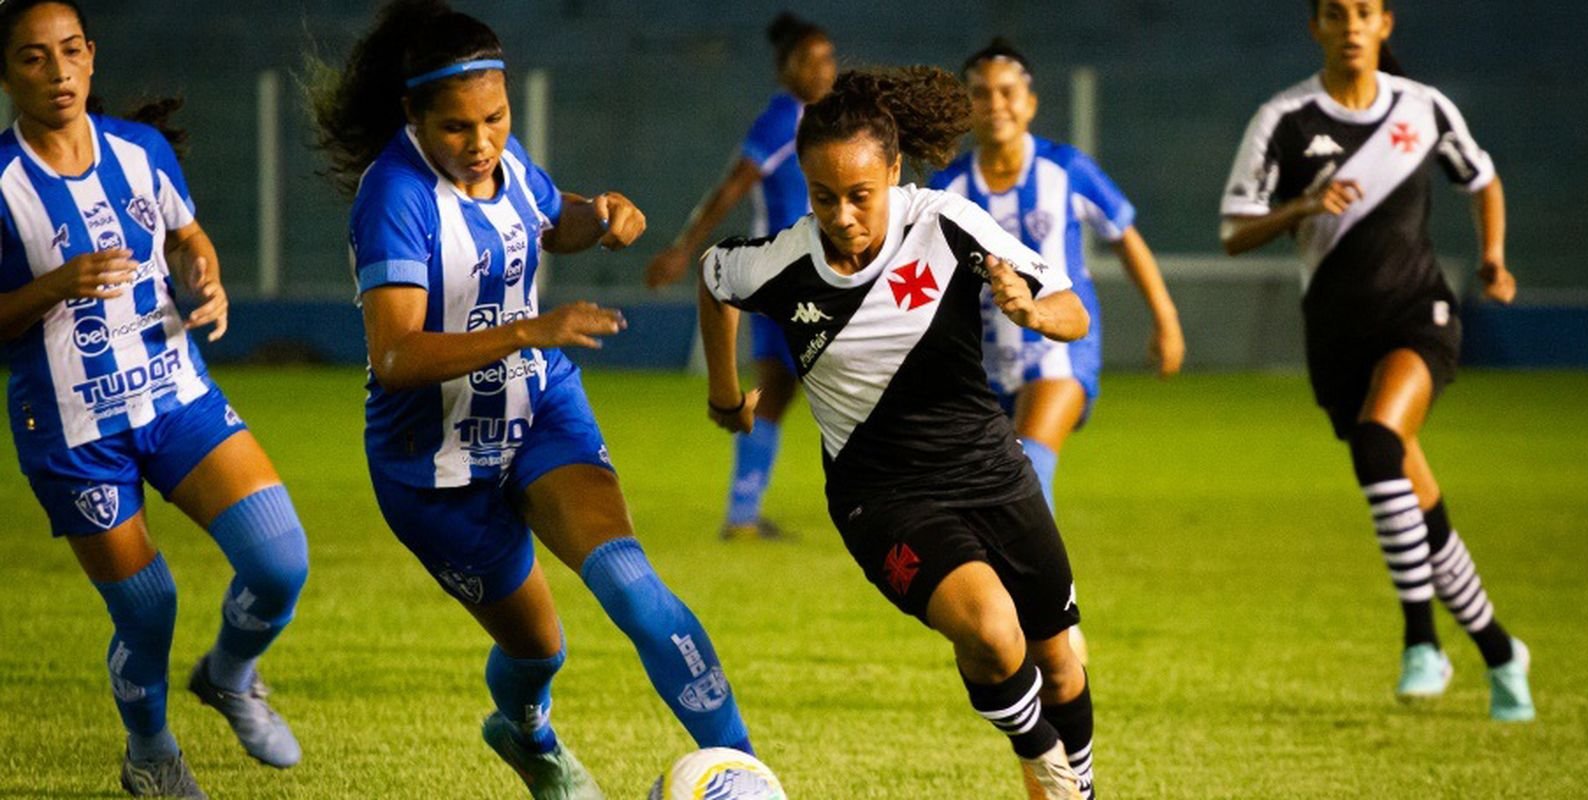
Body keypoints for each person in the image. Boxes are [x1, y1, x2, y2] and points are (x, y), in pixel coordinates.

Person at [308, 1, 754, 795]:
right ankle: (531, 736)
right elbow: (398, 353)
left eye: (497, 118)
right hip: (434, 466)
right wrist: (527, 330)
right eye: (458, 128)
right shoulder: (395, 200)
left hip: (539, 412)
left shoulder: (504, 163)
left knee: (634, 589)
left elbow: (551, 217)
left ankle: (752, 775)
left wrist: (602, 215)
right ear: (412, 115)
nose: (482, 144)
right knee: (538, 651)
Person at [701, 66, 1099, 800]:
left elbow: (1070, 308)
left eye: (861, 195)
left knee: (1060, 661)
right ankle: (1050, 771)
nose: (844, 215)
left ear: (893, 170)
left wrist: (1036, 313)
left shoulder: (945, 223)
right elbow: (715, 276)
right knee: (989, 629)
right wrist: (725, 395)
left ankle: (1078, 786)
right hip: (881, 496)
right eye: (824, 197)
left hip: (990, 470)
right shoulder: (784, 263)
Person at [0, 1, 309, 797]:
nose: (59, 70)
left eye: (71, 51)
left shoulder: (139, 151)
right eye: (34, 57)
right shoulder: (1, 184)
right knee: (148, 611)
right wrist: (53, 288)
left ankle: (231, 676)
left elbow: (185, 234)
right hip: (73, 431)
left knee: (279, 563)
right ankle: (151, 753)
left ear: (93, 58)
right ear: (7, 74)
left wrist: (206, 274)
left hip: (175, 394)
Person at [1220, 0, 1532, 720]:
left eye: (1364, 11)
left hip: (1418, 315)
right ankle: (1498, 650)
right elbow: (1235, 229)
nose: (1351, 25)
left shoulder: (1422, 108)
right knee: (1415, 500)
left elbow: (1480, 177)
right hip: (1335, 336)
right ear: (1316, 28)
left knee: (1377, 442)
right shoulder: (1284, 119)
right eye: (1336, 13)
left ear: (1385, 24)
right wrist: (1300, 208)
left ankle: (1421, 641)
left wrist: (1491, 258)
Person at [931, 38, 1185, 664]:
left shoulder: (1066, 171)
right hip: (982, 365)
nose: (995, 104)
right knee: (986, 490)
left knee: (1028, 465)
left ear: (1031, 102)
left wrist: (1166, 318)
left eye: (1007, 91)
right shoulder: (947, 187)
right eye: (981, 93)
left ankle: (1052, 617)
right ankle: (1020, 607)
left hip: (1061, 354)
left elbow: (1127, 238)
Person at [644, 12, 836, 540]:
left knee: (778, 387)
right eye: (809, 60)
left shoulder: (816, 120)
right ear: (786, 68)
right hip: (791, 277)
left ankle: (743, 514)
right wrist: (685, 248)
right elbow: (732, 187)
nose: (823, 69)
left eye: (828, 58)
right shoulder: (784, 121)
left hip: (802, 275)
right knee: (844, 377)